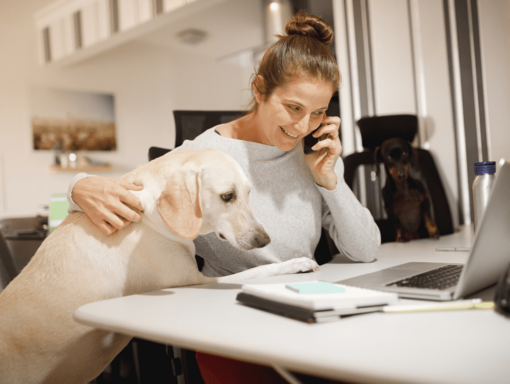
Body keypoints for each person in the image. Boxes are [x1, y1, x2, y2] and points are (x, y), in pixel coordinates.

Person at [68, 10, 380, 383]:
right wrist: (77, 186)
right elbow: (126, 194)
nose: (302, 127)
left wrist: (330, 180)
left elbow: (365, 249)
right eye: (293, 108)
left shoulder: (315, 156)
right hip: (233, 323)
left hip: (310, 316)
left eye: (318, 113)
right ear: (260, 89)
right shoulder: (200, 157)